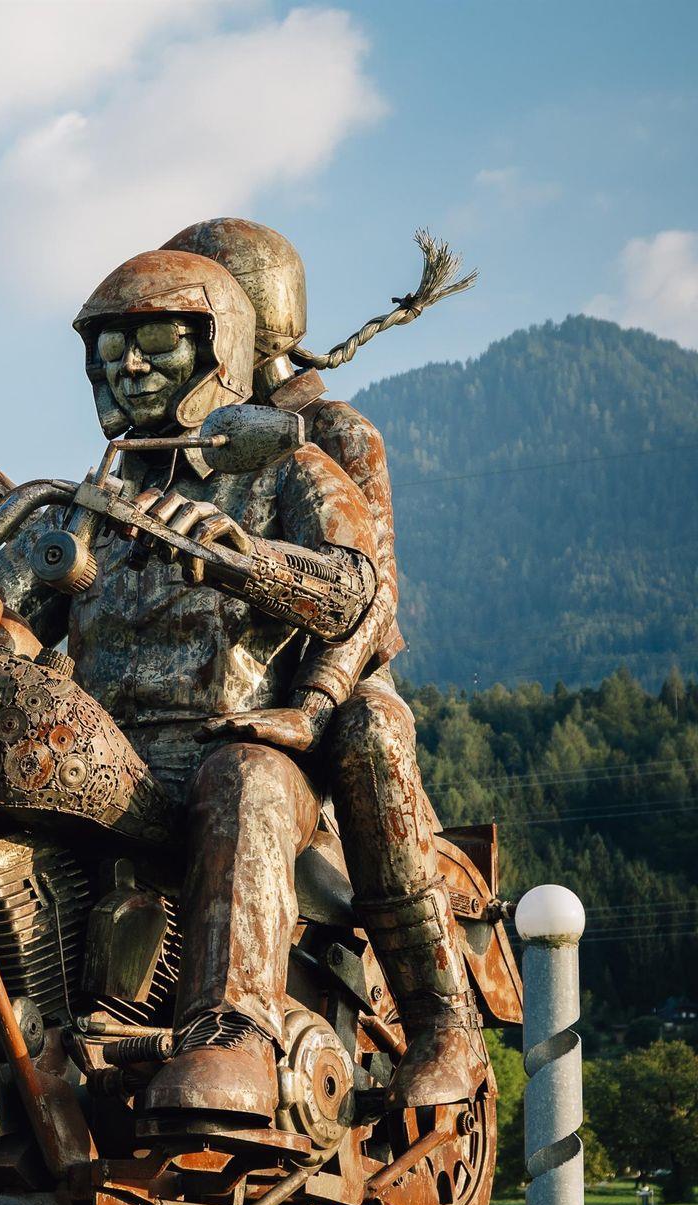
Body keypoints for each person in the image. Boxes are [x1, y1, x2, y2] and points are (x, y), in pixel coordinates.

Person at [0, 248, 381, 1127]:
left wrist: (244, 558)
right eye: (112, 352)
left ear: (217, 345)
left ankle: (232, 1032)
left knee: (246, 779)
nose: (131, 367)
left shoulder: (290, 468)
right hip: (114, 765)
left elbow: (354, 591)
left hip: (233, 747)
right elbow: (1, 595)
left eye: (156, 345)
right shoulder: (97, 502)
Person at [155, 218, 484, 1109]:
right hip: (218, 685)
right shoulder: (183, 445)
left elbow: (370, 596)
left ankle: (443, 1023)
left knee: (372, 732)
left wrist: (314, 702)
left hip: (330, 678)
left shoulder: (333, 433)